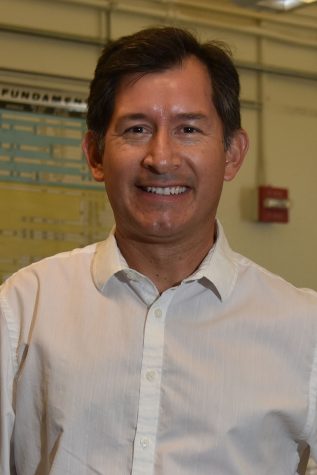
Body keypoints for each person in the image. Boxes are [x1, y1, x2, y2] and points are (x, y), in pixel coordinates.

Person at [0, 26, 316, 475]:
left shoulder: (304, 330)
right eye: (136, 128)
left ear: (232, 153)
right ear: (94, 154)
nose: (161, 157)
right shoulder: (23, 309)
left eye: (189, 128)